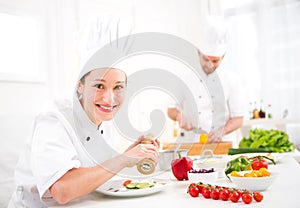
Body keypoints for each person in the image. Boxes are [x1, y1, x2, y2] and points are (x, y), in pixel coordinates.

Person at [8, 17, 159, 207]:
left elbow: (94, 171)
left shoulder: (104, 115)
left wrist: (128, 155)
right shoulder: (54, 118)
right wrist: (122, 160)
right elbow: (62, 190)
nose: (109, 99)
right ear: (80, 86)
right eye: (99, 85)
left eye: (118, 87)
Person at [168, 16, 246, 144]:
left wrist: (223, 130)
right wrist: (179, 116)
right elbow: (171, 108)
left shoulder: (232, 80)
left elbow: (238, 118)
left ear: (223, 56)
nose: (210, 65)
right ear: (199, 53)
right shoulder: (184, 77)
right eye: (205, 59)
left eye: (215, 61)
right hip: (190, 143)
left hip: (221, 144)